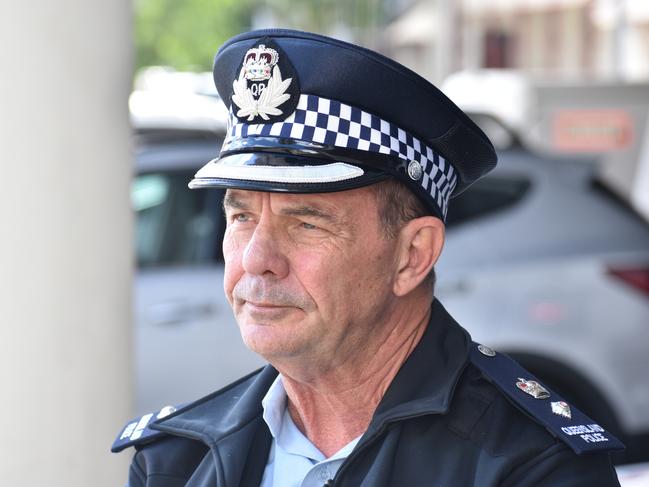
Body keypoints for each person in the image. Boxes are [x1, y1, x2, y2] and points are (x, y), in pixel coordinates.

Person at [113, 29, 623, 486]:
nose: (256, 259)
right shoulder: (173, 462)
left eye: (306, 224)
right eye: (241, 217)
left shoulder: (533, 468)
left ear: (412, 255)